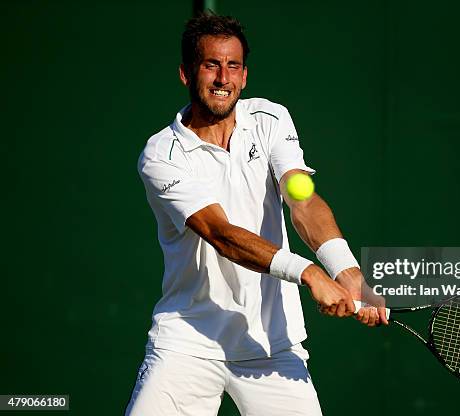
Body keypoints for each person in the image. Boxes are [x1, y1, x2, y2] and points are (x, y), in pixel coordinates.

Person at [126, 12, 387, 416]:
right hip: (188, 345)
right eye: (211, 65)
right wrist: (309, 273)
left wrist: (347, 272)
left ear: (244, 76)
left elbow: (301, 199)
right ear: (186, 73)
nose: (222, 78)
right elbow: (220, 233)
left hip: (272, 344)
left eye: (233, 66)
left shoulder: (270, 118)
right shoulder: (162, 153)